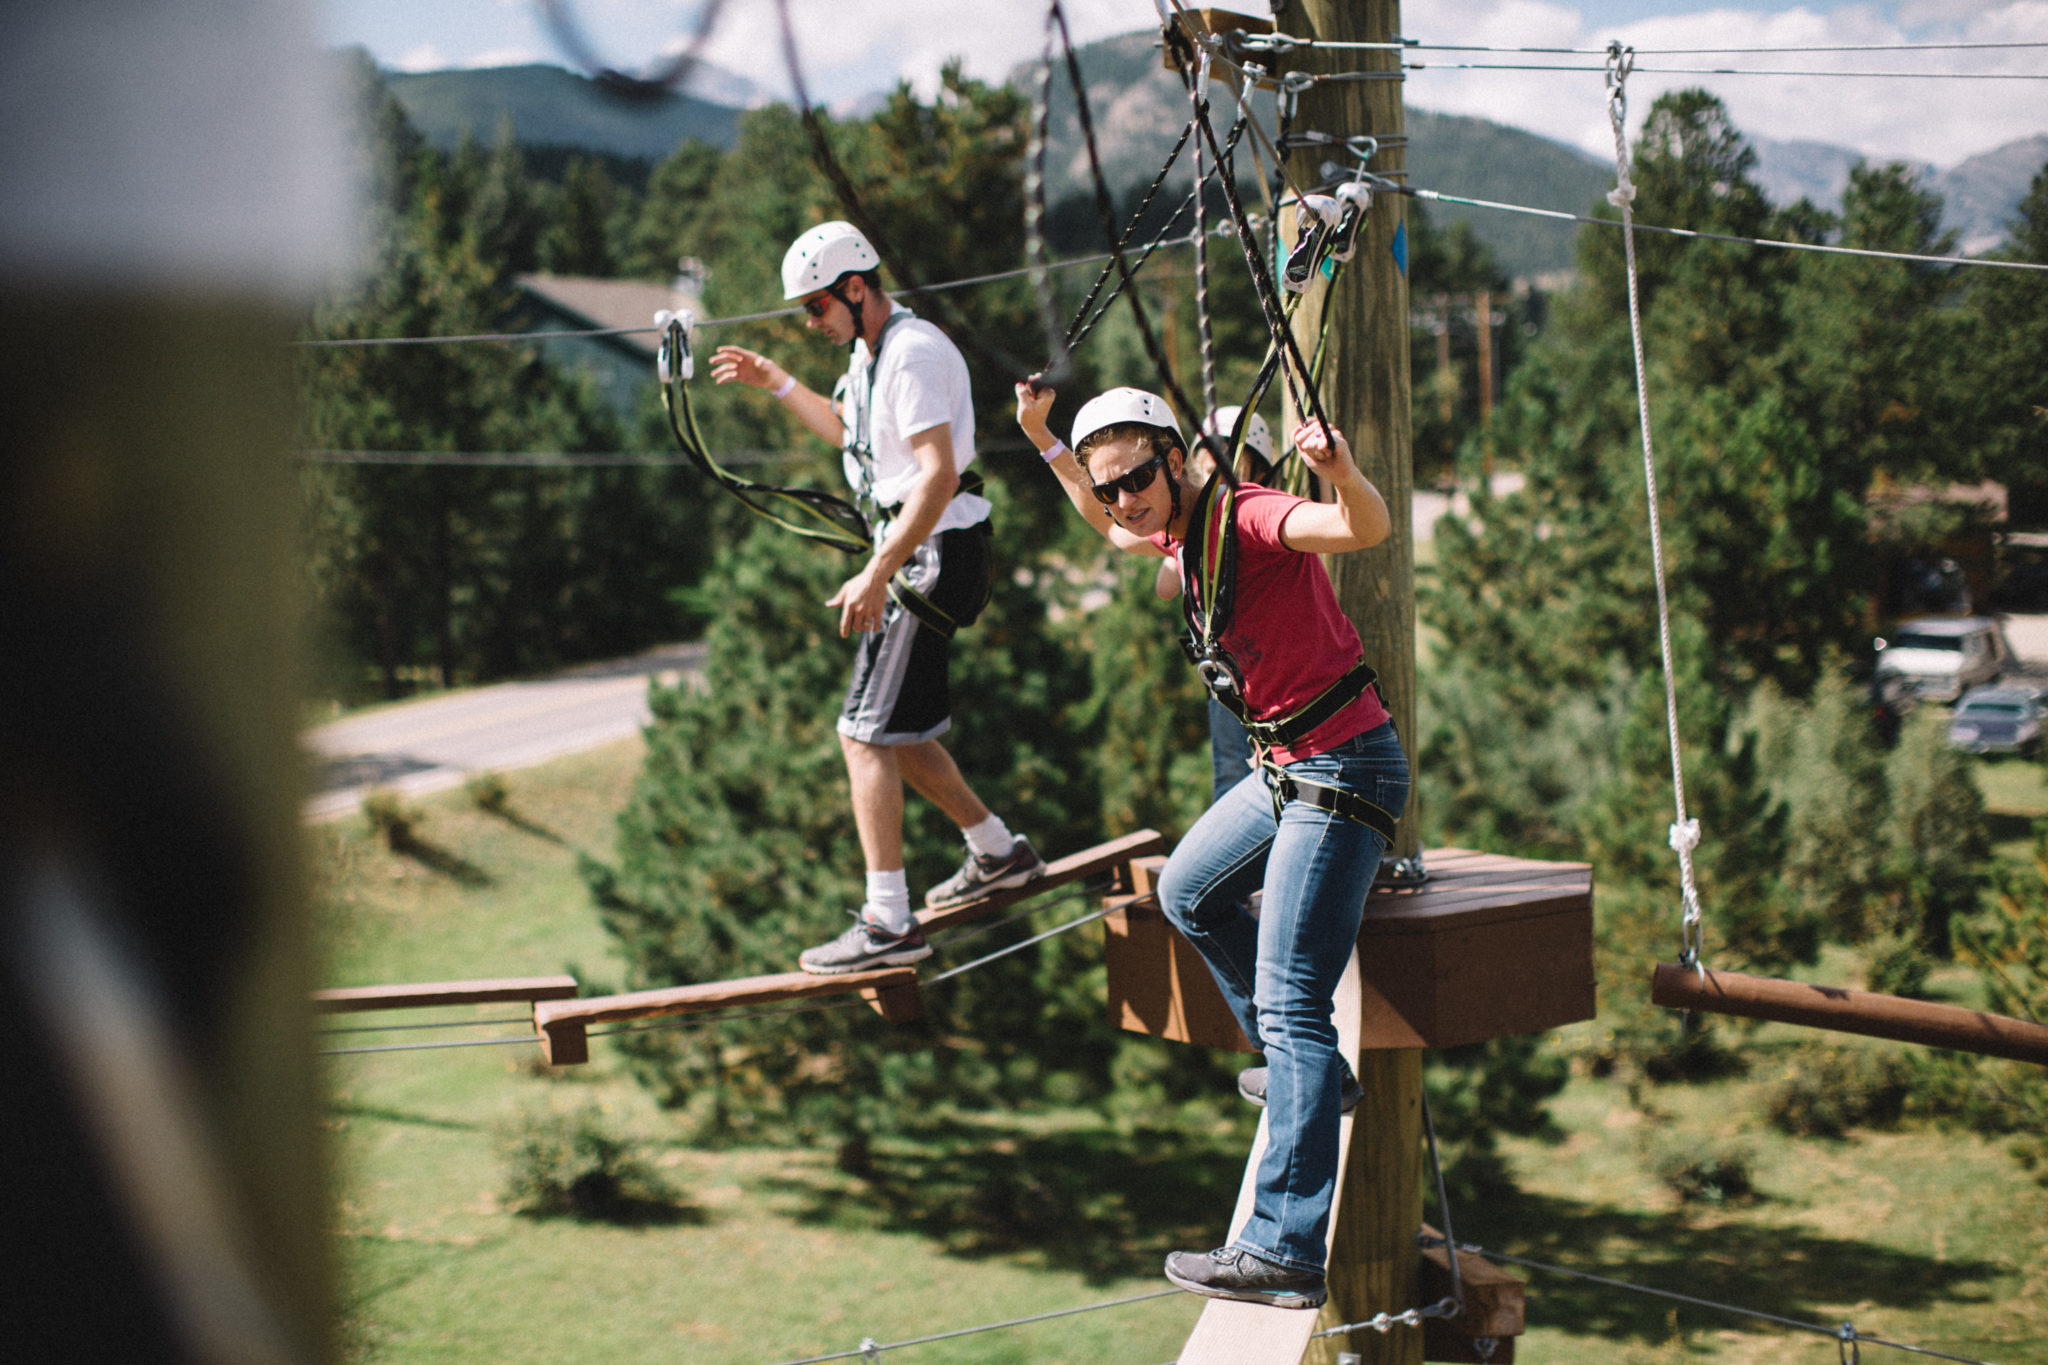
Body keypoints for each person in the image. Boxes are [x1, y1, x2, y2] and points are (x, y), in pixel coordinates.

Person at [1016, 382, 1408, 1309]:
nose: (1124, 500)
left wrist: (1341, 473)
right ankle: (1309, 1077)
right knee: (1188, 890)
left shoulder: (1250, 513)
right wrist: (1042, 440)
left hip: (1340, 769)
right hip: (1289, 771)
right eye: (1112, 486)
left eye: (1138, 477)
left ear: (1175, 458)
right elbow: (1099, 521)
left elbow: (1363, 531)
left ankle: (1282, 1249)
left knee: (1292, 1007)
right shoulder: (1161, 527)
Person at [709, 222, 1044, 974]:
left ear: (857, 287)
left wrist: (878, 568)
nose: (812, 322)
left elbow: (936, 475)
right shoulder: (869, 358)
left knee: (861, 734)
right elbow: (850, 438)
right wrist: (779, 382)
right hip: (922, 553)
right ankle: (999, 852)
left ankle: (889, 920)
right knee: (899, 733)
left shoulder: (914, 352)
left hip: (930, 555)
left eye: (817, 306)